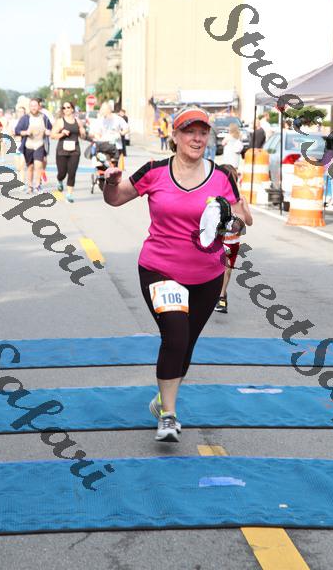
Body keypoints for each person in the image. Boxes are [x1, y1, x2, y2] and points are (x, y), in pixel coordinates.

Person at [103, 105, 252, 442]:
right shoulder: (154, 171)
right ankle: (169, 415)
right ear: (175, 136)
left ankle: (161, 400)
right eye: (189, 132)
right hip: (160, 268)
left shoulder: (222, 176)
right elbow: (115, 199)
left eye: (202, 132)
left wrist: (230, 222)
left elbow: (242, 221)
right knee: (175, 334)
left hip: (207, 275)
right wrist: (110, 184)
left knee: (186, 343)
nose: (196, 138)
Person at [214, 165, 253, 314]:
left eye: (232, 180)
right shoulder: (215, 198)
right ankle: (214, 293)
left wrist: (242, 208)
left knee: (227, 270)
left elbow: (249, 222)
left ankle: (221, 295)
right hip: (216, 240)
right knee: (213, 269)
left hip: (232, 241)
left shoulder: (240, 199)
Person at [15, 98, 52, 194]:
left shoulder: (44, 117)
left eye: (35, 105)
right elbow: (17, 130)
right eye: (31, 106)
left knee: (38, 165)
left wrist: (48, 132)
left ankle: (37, 186)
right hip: (28, 145)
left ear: (39, 106)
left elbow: (50, 128)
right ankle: (30, 186)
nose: (33, 108)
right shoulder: (25, 118)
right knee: (30, 167)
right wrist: (26, 132)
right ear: (29, 107)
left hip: (40, 144)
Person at [51, 101, 85, 203]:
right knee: (62, 172)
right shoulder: (60, 121)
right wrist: (62, 133)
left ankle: (69, 194)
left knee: (72, 173)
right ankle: (60, 180)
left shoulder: (78, 121)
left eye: (68, 107)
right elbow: (53, 135)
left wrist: (83, 133)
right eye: (64, 108)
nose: (66, 109)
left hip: (75, 151)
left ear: (72, 109)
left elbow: (82, 136)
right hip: (62, 151)